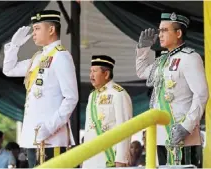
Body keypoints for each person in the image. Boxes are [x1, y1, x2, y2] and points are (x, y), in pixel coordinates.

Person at [3, 10, 78, 167]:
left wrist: (49, 128)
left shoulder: (61, 56)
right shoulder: (38, 57)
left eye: (37, 28)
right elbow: (8, 70)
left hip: (51, 139)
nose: (33, 33)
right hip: (33, 137)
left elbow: (71, 98)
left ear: (51, 30)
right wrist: (14, 46)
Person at [135, 12, 208, 165]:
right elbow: (142, 72)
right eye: (159, 30)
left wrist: (186, 126)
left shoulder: (190, 58)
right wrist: (143, 49)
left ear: (178, 33)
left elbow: (201, 94)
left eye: (164, 30)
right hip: (161, 134)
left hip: (182, 134)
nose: (160, 34)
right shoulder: (162, 60)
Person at [82, 55, 133, 167]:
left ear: (106, 74)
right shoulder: (92, 96)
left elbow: (125, 128)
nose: (91, 75)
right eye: (90, 71)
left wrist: (121, 158)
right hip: (91, 156)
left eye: (95, 71)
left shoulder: (118, 93)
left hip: (109, 156)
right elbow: (88, 129)